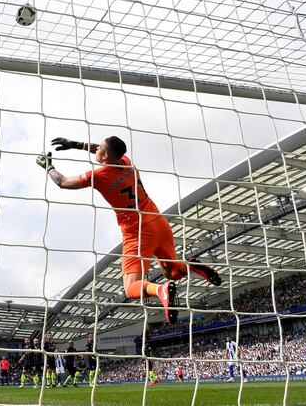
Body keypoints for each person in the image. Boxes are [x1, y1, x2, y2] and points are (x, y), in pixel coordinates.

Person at [36, 136, 222, 323]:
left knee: (131, 288)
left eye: (99, 147)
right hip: (159, 222)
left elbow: (62, 182)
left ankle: (160, 290)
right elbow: (105, 153)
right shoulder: (126, 162)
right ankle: (188, 265)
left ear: (105, 155)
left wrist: (48, 167)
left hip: (138, 233)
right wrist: (76, 144)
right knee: (172, 272)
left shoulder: (98, 176)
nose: (96, 148)